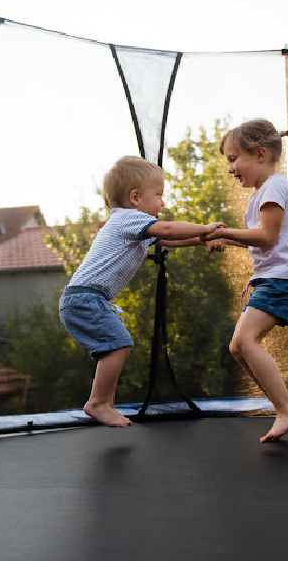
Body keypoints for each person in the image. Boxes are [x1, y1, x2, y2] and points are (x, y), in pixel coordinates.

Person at [59, 155, 226, 428]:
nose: (163, 202)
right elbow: (170, 229)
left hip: (86, 298)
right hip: (85, 298)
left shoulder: (133, 224)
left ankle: (105, 403)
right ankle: (98, 402)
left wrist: (202, 239)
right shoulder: (127, 218)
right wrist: (207, 228)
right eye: (159, 195)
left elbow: (172, 238)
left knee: (115, 346)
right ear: (135, 197)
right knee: (119, 345)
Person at [203, 118, 288, 442]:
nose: (230, 169)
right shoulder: (261, 193)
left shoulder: (274, 186)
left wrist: (224, 231)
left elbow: (267, 236)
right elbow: (263, 239)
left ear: (259, 153)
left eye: (232, 158)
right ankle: (283, 407)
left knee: (243, 343)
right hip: (272, 279)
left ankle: (286, 408)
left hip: (283, 280)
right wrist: (229, 240)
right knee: (238, 348)